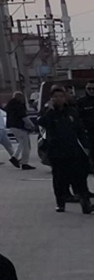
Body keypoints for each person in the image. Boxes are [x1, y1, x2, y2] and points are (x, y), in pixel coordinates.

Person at [38, 85, 92, 213]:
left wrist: (86, 146)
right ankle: (60, 202)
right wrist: (50, 110)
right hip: (57, 151)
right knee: (59, 179)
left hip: (73, 150)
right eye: (55, 97)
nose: (59, 99)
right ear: (51, 98)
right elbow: (42, 123)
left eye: (61, 96)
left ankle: (85, 203)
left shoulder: (71, 111)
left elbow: (79, 130)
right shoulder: (48, 113)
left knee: (80, 177)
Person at [3, 91, 35, 170]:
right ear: (19, 97)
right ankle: (24, 163)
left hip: (12, 126)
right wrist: (32, 125)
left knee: (21, 143)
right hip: (19, 127)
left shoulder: (10, 105)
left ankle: (15, 157)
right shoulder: (18, 105)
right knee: (26, 145)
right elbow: (24, 117)